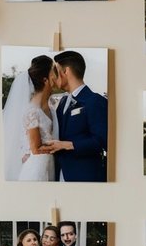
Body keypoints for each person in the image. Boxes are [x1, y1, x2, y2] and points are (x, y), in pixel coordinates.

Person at [44, 50, 108, 182]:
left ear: (65, 71)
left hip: (85, 177)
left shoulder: (95, 101)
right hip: (60, 175)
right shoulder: (61, 102)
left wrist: (65, 145)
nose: (54, 77)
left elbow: (101, 141)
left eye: (56, 71)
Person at [2, 55, 57, 182]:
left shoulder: (49, 107)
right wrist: (62, 146)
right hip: (36, 169)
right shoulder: (31, 111)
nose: (55, 76)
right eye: (53, 72)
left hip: (48, 165)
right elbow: (36, 149)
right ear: (45, 80)